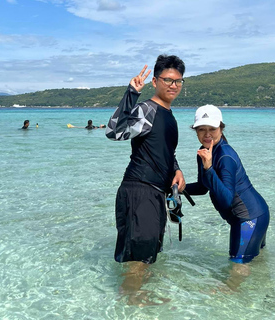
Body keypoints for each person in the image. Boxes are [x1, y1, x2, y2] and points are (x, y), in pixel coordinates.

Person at [105, 54, 186, 303]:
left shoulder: (168, 114)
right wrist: (131, 93)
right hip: (139, 190)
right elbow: (113, 132)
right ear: (155, 81)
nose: (173, 85)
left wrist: (177, 169)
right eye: (168, 80)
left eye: (178, 81)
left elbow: (164, 151)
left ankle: (135, 301)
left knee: (147, 255)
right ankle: (131, 299)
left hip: (153, 193)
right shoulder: (147, 109)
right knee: (138, 259)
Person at [185, 105, 269, 288]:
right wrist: (178, 188)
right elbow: (202, 187)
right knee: (258, 264)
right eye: (201, 130)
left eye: (212, 129)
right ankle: (262, 294)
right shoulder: (205, 152)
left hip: (249, 220)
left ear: (221, 128)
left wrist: (208, 168)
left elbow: (226, 200)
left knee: (237, 268)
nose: (207, 134)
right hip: (257, 214)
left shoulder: (225, 157)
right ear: (196, 131)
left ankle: (231, 304)